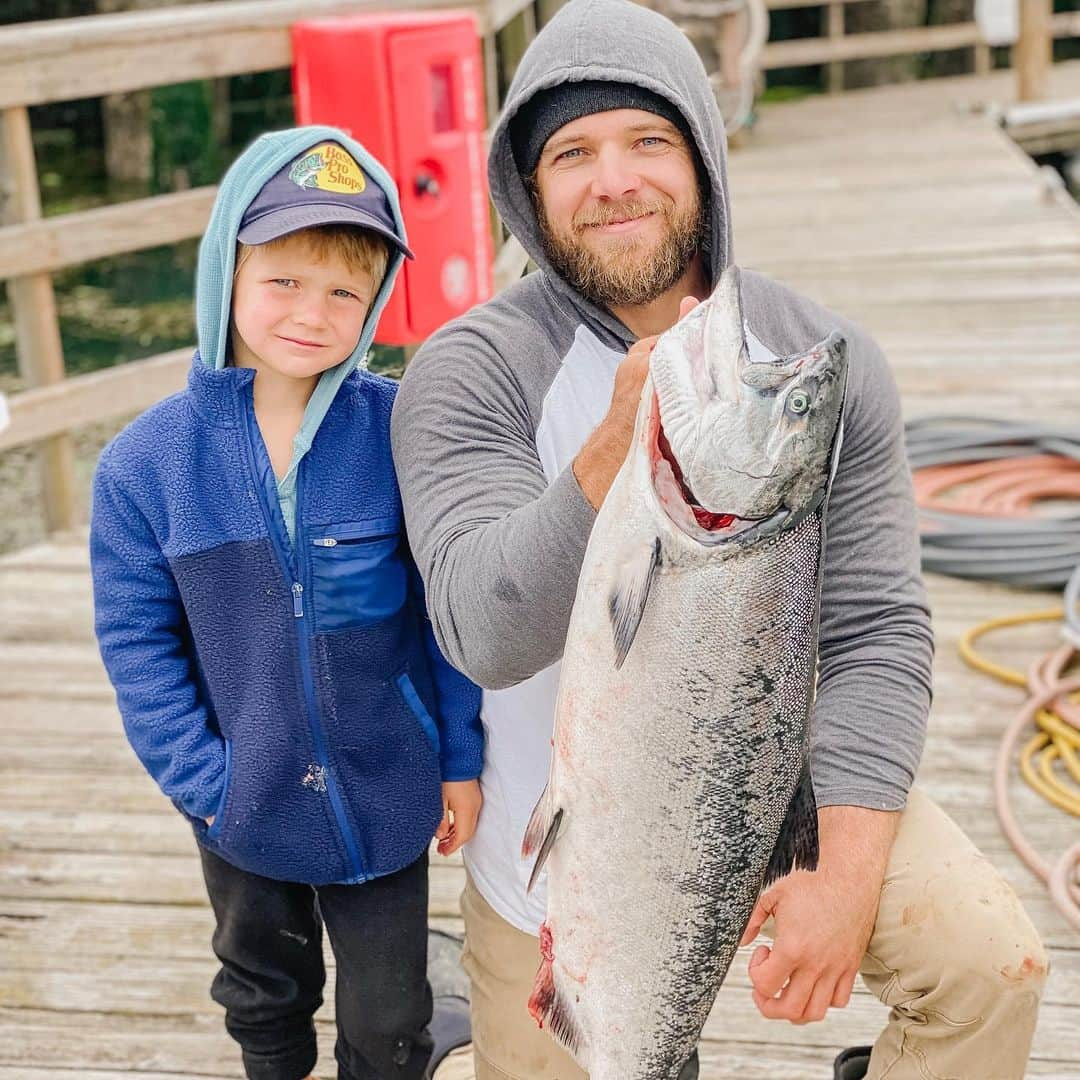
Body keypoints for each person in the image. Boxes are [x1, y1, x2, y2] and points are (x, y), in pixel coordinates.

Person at [390, 3, 1048, 1079]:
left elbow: (879, 631)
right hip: (567, 851)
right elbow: (480, 631)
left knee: (991, 969)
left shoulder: (820, 361)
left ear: (704, 155)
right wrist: (613, 453)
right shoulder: (467, 370)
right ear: (525, 188)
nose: (614, 180)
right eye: (572, 154)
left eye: (649, 141)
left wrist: (842, 877)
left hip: (780, 779)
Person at [90, 126, 484, 1080]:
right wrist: (204, 779)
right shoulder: (145, 466)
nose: (312, 313)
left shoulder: (396, 434)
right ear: (227, 267)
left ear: (377, 302)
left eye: (345, 291)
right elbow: (136, 642)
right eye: (283, 281)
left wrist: (458, 758)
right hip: (241, 800)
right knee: (263, 991)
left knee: (392, 1017)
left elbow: (439, 613)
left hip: (388, 791)